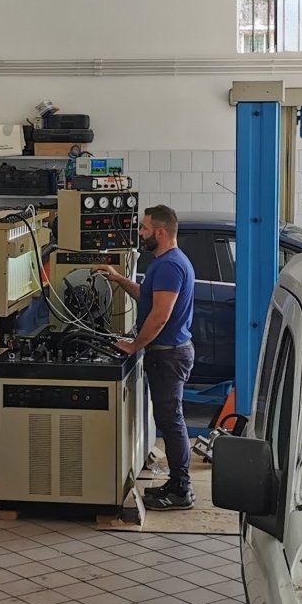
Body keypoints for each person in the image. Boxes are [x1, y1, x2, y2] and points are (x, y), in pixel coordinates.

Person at [98, 205, 198, 511]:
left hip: (168, 356)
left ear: (161, 232)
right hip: (166, 353)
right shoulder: (165, 263)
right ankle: (175, 484)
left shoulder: (170, 266)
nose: (140, 234)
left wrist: (133, 346)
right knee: (168, 420)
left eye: (143, 229)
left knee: (172, 421)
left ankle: (182, 490)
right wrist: (119, 279)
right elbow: (148, 296)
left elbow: (159, 316)